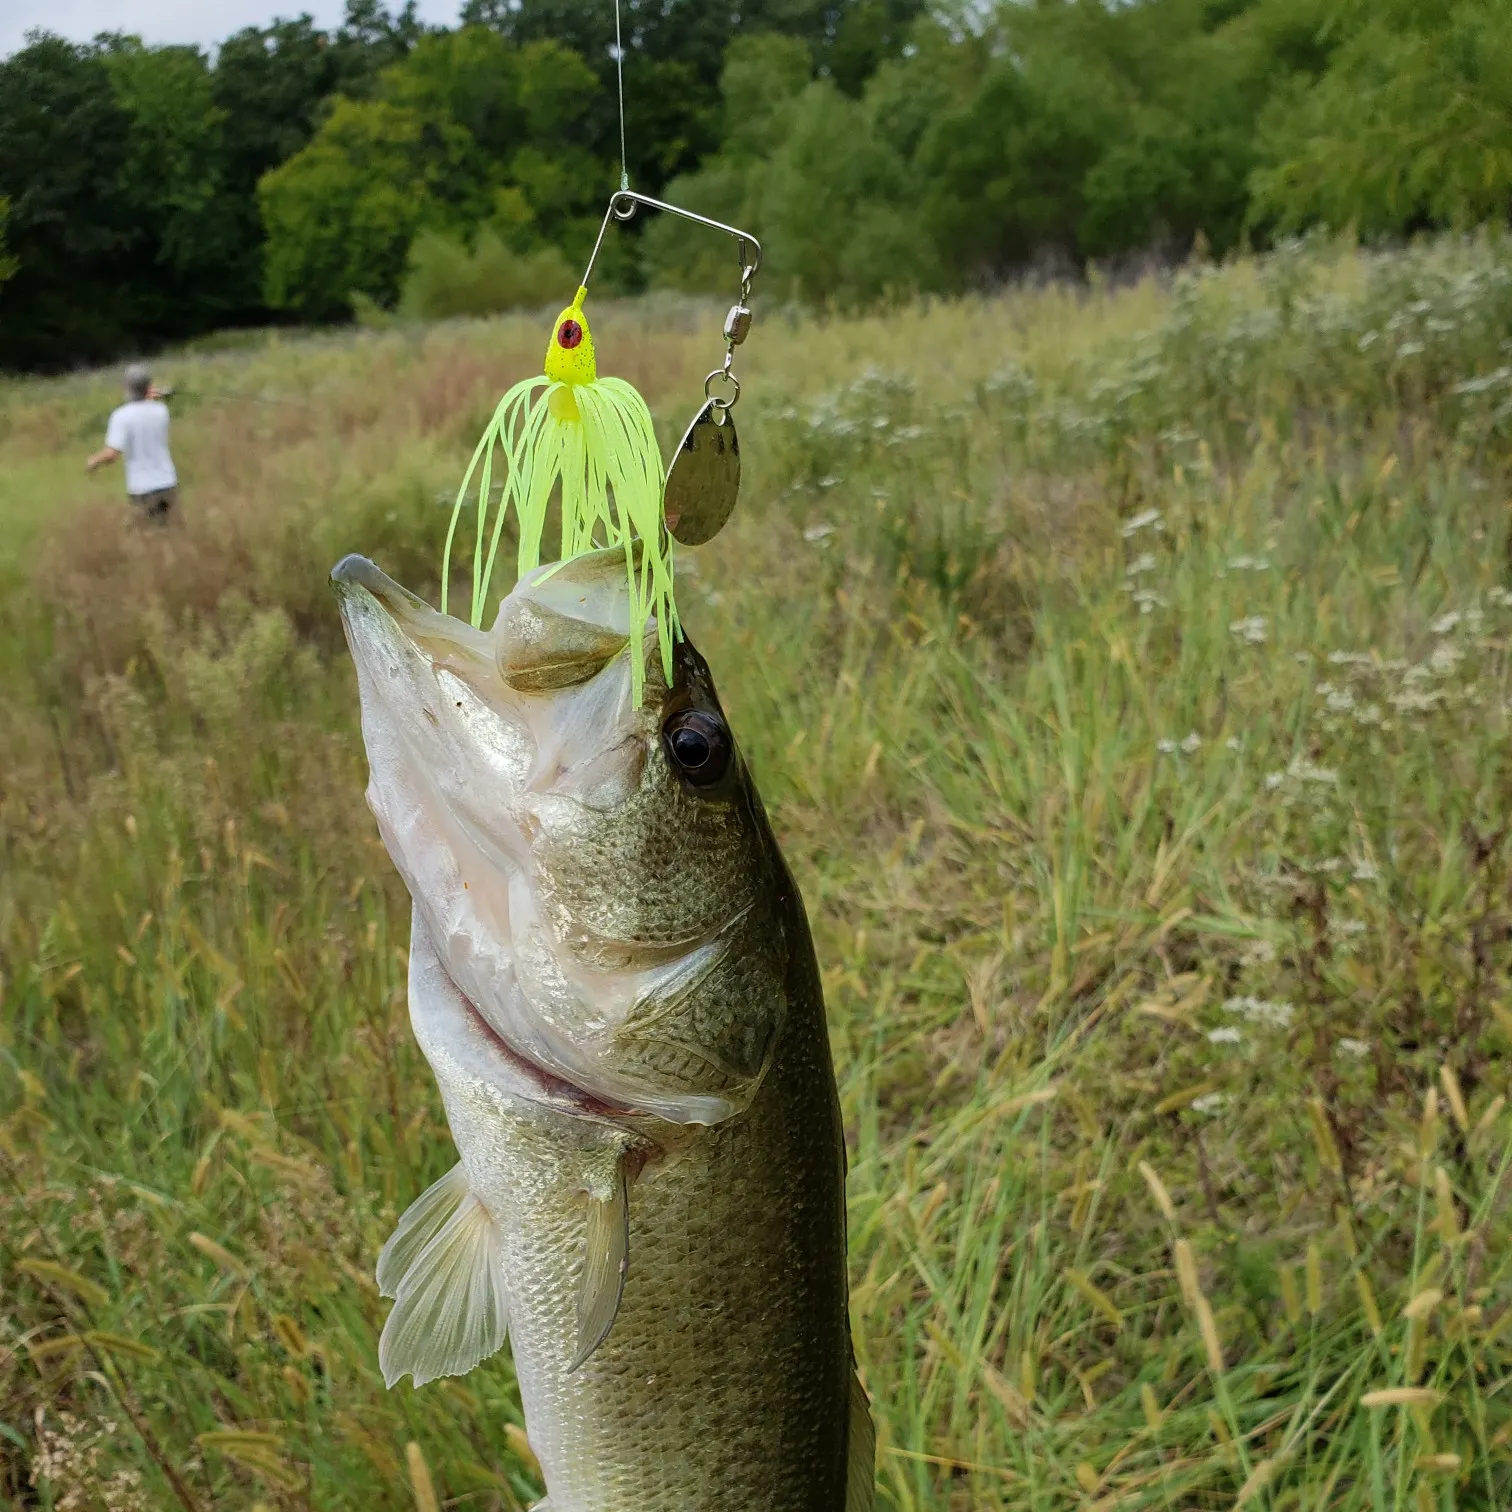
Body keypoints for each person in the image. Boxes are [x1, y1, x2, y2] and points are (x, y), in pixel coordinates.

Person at [86, 363, 179, 522]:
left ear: (126, 387)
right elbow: (147, 405)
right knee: (170, 533)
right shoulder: (161, 411)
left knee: (147, 537)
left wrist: (94, 461)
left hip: (142, 488)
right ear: (149, 386)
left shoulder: (121, 416)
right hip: (168, 483)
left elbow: (111, 455)